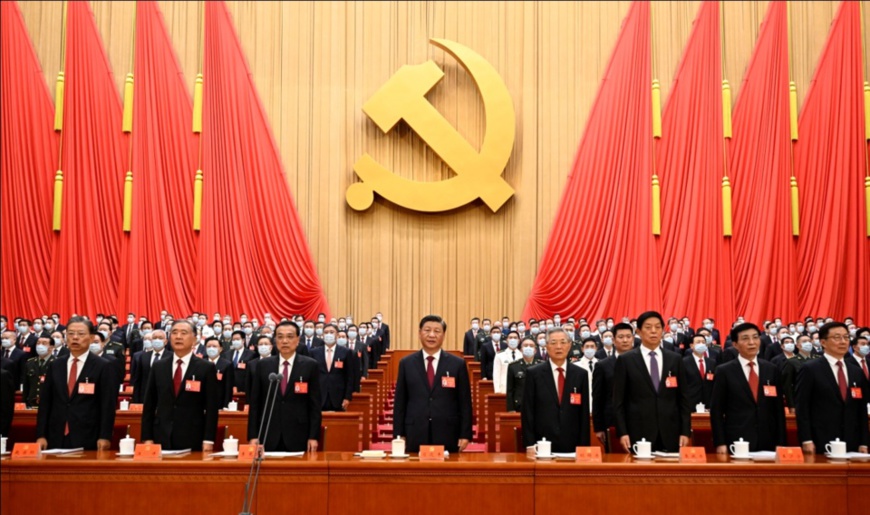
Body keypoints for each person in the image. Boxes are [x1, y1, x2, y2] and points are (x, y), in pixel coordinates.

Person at [35, 317, 119, 451]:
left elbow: (107, 405)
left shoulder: (103, 366)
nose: (75, 338)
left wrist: (105, 436)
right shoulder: (56, 365)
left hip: (88, 434)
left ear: (91, 338)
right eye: (70, 333)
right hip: (55, 434)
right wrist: (41, 434)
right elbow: (45, 403)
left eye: (81, 334)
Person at [612, 311, 691, 453]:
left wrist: (685, 431)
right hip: (637, 431)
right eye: (648, 327)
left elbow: (683, 398)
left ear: (663, 330)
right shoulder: (626, 360)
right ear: (639, 332)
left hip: (671, 431)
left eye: (657, 327)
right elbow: (618, 401)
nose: (653, 331)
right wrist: (622, 432)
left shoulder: (675, 359)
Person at [393, 315, 472, 453]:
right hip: (414, 431)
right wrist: (399, 434)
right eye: (427, 330)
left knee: (447, 473)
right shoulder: (406, 363)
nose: (431, 335)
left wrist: (465, 434)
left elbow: (465, 402)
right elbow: (400, 401)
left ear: (443, 335)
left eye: (437, 331)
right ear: (419, 333)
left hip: (448, 431)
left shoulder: (457, 364)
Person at [141, 320, 221, 452]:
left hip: (193, 436)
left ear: (195, 339)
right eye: (174, 333)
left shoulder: (206, 368)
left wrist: (208, 439)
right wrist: (147, 437)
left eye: (184, 333)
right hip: (161, 435)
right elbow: (149, 404)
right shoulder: (158, 366)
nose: (178, 336)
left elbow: (212, 407)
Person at [709, 323, 786, 453]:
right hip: (737, 440)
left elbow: (778, 409)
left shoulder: (771, 369)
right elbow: (716, 410)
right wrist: (720, 442)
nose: (752, 342)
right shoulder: (724, 371)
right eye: (745, 338)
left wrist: (781, 442)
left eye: (755, 337)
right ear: (735, 344)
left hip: (769, 439)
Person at [795, 322, 870, 454]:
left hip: (852, 440)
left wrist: (864, 442)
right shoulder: (810, 369)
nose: (843, 342)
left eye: (846, 337)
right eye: (837, 337)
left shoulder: (856, 371)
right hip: (821, 439)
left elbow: (861, 409)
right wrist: (806, 439)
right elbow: (802, 407)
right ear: (823, 342)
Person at [248, 321, 321, 452]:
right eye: (280, 337)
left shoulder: (310, 365)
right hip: (268, 434)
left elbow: (314, 405)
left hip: (299, 434)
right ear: (275, 340)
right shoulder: (263, 365)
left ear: (298, 340)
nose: (285, 341)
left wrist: (313, 436)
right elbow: (255, 403)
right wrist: (253, 435)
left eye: (290, 336)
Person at [521, 329, 590, 451]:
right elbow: (527, 412)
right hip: (542, 442)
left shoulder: (580, 374)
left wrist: (584, 445)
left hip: (572, 442)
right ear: (546, 346)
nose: (558, 347)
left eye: (563, 342)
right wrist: (530, 444)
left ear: (569, 345)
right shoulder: (533, 374)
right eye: (553, 343)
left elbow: (583, 414)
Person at [592, 323, 635, 447]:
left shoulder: (642, 363)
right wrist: (599, 427)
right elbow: (598, 397)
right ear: (614, 340)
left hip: (639, 421)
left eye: (628, 336)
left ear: (633, 338)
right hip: (611, 421)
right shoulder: (602, 365)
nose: (625, 340)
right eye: (621, 337)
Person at [310, 325, 354, 411]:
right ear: (322, 335)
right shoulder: (313, 352)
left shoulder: (346, 352)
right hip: (319, 395)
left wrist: (347, 397)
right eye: (326, 332)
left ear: (337, 335)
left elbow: (350, 376)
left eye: (331, 332)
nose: (328, 334)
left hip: (338, 395)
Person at [506, 337, 544, 412]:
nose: (528, 348)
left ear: (535, 350)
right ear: (521, 350)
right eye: (525, 345)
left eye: (531, 346)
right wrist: (511, 409)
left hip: (539, 405)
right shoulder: (513, 366)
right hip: (520, 404)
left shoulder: (542, 365)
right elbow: (510, 390)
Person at [132, 330, 170, 404]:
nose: (157, 340)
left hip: (165, 398)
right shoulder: (143, 356)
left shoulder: (171, 356)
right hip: (145, 396)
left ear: (166, 341)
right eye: (155, 338)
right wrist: (136, 399)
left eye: (160, 338)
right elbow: (138, 380)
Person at [683, 334, 716, 408]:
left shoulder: (712, 362)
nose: (701, 344)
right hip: (690, 402)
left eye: (703, 342)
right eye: (698, 342)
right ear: (691, 345)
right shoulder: (684, 362)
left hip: (708, 403)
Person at [23, 336, 55, 407]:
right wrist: (25, 401)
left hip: (50, 403)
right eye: (38, 343)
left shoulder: (57, 363)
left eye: (44, 343)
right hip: (31, 402)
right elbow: (26, 385)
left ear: (51, 347)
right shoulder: (30, 362)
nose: (40, 345)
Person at [204, 337, 234, 409]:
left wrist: (226, 405)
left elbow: (228, 388)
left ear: (220, 349)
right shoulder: (200, 363)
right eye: (209, 346)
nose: (211, 348)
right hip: (202, 402)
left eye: (214, 346)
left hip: (219, 403)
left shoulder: (227, 364)